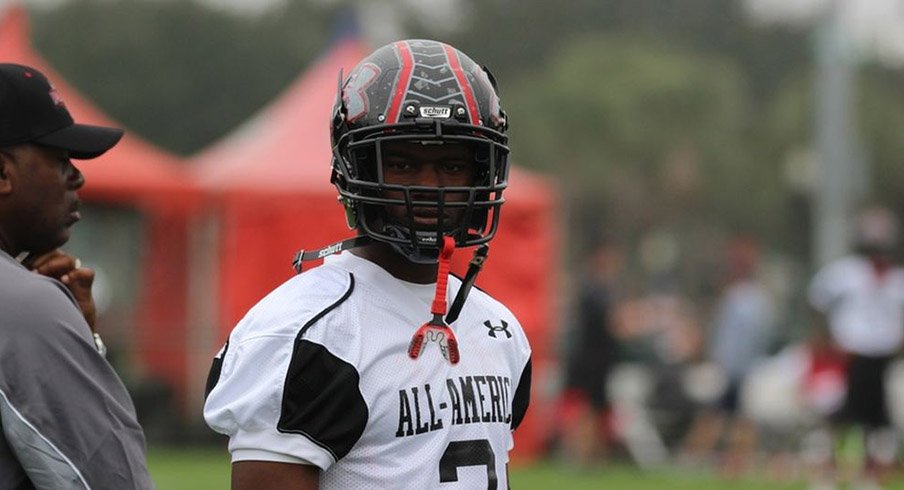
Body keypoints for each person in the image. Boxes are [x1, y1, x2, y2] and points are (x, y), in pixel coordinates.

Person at [204, 39, 532, 489]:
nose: (428, 189)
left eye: (452, 166)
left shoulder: (498, 327)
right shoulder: (306, 334)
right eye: (401, 163)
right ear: (355, 167)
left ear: (483, 172)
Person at [0, 63, 154, 488]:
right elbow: (109, 479)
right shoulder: (25, 304)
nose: (78, 176)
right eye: (59, 158)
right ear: (2, 172)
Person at [806, 205, 904, 490]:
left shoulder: (897, 281)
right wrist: (825, 339)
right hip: (851, 354)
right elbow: (817, 300)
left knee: (876, 418)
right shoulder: (847, 273)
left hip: (882, 355)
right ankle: (829, 470)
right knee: (843, 414)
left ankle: (869, 474)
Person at [680, 236, 776, 475]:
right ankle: (722, 461)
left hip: (739, 369)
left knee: (729, 417)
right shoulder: (747, 297)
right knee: (728, 416)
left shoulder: (748, 299)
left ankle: (726, 461)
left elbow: (744, 338)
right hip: (735, 367)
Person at [559, 238, 623, 466]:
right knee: (587, 409)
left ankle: (592, 454)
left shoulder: (602, 289)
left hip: (598, 360)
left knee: (596, 409)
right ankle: (581, 454)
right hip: (591, 361)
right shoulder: (594, 291)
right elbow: (612, 323)